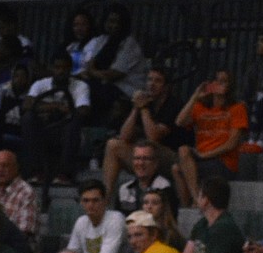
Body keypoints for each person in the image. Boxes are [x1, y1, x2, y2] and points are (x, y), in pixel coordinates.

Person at [102, 65, 184, 197]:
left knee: (147, 147)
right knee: (113, 145)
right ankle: (106, 198)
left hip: (171, 158)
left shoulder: (174, 104)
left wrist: (144, 108)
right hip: (147, 156)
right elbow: (124, 136)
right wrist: (135, 108)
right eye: (149, 80)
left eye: (157, 81)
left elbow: (153, 137)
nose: (152, 84)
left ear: (167, 87)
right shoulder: (146, 102)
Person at [173, 71, 248, 207]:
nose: (220, 84)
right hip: (202, 158)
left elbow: (231, 144)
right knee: (178, 163)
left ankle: (196, 202)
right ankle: (192, 203)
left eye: (224, 81)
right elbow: (180, 121)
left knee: (183, 165)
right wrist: (195, 96)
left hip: (223, 162)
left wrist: (205, 155)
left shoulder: (237, 108)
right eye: (217, 80)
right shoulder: (200, 107)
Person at [21, 50, 90, 186]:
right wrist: (55, 106)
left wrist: (63, 111)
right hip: (43, 129)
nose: (61, 71)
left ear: (70, 69)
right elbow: (27, 105)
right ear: (51, 68)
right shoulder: (40, 84)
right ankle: (35, 172)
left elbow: (84, 110)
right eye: (57, 68)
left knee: (74, 122)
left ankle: (64, 174)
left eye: (64, 68)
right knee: (28, 118)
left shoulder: (80, 86)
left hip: (67, 130)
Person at [65, 178, 135, 253]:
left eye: (95, 200)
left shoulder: (115, 219)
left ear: (105, 201)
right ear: (81, 202)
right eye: (86, 201)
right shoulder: (81, 221)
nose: (90, 205)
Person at [0, 149, 38, 253]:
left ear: (16, 167)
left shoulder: (26, 192)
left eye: (5, 166)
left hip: (16, 249)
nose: (0, 170)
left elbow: (24, 233)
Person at [115, 140, 175, 217]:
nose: (141, 163)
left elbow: (168, 221)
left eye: (146, 158)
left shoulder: (164, 187)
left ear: (155, 163)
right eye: (137, 158)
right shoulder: (124, 189)